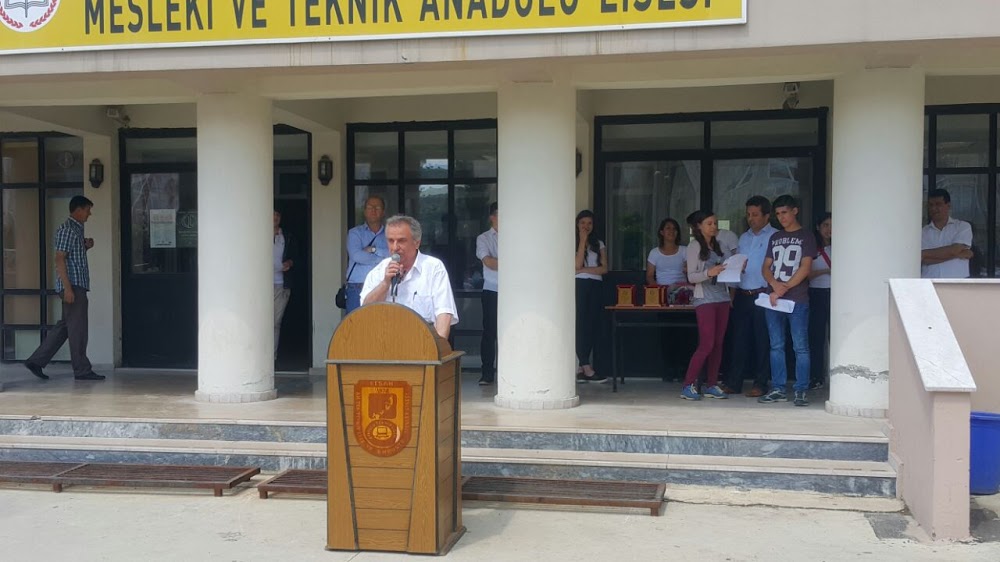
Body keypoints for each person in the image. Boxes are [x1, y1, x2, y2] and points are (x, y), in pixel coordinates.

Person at [24, 196, 104, 381]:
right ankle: (82, 370)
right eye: (87, 210)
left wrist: (85, 246)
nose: (89, 214)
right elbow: (59, 259)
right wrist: (68, 289)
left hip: (76, 285)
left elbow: (71, 256)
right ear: (78, 210)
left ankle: (36, 361)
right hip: (73, 286)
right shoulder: (68, 229)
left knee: (65, 327)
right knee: (78, 328)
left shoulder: (76, 229)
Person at [360, 215, 459, 340]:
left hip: (423, 342)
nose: (395, 247)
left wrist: (438, 349)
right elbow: (364, 313)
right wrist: (385, 283)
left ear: (417, 242)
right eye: (391, 241)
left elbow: (444, 312)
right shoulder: (379, 271)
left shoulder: (433, 267)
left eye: (401, 241)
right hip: (385, 343)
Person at [760, 195, 815, 407]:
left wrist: (784, 287)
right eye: (778, 214)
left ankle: (801, 390)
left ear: (795, 211)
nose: (781, 217)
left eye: (784, 212)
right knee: (776, 345)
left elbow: (805, 267)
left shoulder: (806, 236)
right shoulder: (775, 237)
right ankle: (778, 388)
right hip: (774, 298)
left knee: (800, 346)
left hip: (796, 299)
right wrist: (775, 285)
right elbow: (765, 266)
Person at [723, 196, 777, 397]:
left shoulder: (775, 236)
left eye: (755, 214)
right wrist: (732, 292)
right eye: (748, 215)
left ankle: (761, 384)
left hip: (763, 293)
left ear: (766, 215)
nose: (751, 219)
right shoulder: (743, 238)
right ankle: (734, 382)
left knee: (763, 341)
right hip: (743, 294)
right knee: (739, 340)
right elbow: (737, 266)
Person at [680, 210, 733, 401]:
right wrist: (710, 272)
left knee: (718, 344)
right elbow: (691, 276)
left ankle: (711, 384)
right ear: (699, 226)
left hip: (722, 297)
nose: (714, 226)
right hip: (705, 299)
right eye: (709, 223)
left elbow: (727, 268)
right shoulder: (694, 246)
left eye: (715, 223)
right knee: (707, 344)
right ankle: (688, 384)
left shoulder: (719, 245)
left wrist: (736, 267)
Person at [575, 209, 608, 384]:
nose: (586, 226)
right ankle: (586, 366)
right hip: (580, 285)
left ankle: (582, 367)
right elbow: (576, 264)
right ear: (577, 224)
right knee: (581, 324)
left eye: (589, 223)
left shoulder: (599, 243)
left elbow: (604, 268)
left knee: (593, 324)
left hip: (596, 284)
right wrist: (582, 241)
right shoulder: (573, 242)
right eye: (582, 223)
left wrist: (584, 270)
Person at [345, 196, 389, 312]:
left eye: (377, 207)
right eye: (370, 207)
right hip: (357, 287)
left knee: (381, 326)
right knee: (355, 326)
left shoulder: (390, 234)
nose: (373, 210)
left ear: (383, 212)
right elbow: (356, 256)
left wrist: (374, 250)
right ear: (364, 211)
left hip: (383, 286)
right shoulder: (355, 233)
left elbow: (393, 256)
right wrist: (382, 259)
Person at [921, 188, 973, 279]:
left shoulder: (962, 226)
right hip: (929, 283)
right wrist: (958, 254)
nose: (933, 208)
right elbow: (922, 260)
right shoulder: (922, 232)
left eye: (938, 204)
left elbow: (954, 250)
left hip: (957, 284)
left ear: (948, 205)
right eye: (930, 205)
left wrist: (925, 253)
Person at [476, 202, 499, 386]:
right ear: (492, 217)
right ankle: (487, 373)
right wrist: (516, 261)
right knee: (489, 333)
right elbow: (489, 262)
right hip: (492, 289)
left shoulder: (516, 236)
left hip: (515, 292)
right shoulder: (483, 238)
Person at [808, 213, 832, 390]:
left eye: (832, 225)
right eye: (825, 225)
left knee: (835, 336)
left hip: (837, 294)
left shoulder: (843, 245)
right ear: (818, 227)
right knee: (816, 337)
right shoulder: (812, 248)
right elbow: (806, 274)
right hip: (816, 293)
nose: (829, 229)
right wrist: (826, 271)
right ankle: (816, 376)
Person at [273, 210, 296, 358]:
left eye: (278, 215)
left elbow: (297, 257)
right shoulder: (256, 233)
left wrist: (290, 262)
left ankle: (271, 357)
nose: (275, 218)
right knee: (260, 322)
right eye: (272, 214)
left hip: (281, 284)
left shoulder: (287, 236)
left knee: (275, 322)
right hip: (259, 286)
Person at [646, 217, 687, 287]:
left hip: (682, 291)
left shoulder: (685, 250)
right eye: (668, 228)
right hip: (661, 289)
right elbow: (649, 276)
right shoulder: (654, 252)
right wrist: (658, 290)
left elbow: (690, 271)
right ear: (662, 232)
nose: (672, 231)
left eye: (674, 229)